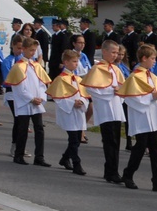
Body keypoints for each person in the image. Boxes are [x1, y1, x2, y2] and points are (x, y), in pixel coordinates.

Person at [117, 44, 157, 191]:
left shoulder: (152, 76)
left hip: (153, 116)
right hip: (142, 117)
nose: (155, 61)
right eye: (153, 58)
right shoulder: (135, 77)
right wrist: (150, 96)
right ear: (144, 58)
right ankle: (128, 174)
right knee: (140, 147)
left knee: (156, 148)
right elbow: (132, 98)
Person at [81, 39, 126, 183]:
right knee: (109, 141)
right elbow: (92, 89)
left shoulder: (116, 69)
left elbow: (122, 87)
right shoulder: (97, 69)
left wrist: (119, 93)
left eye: (117, 53)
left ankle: (112, 170)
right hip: (105, 109)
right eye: (113, 52)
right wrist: (111, 92)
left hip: (116, 108)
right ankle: (111, 171)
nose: (115, 55)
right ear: (104, 52)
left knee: (116, 141)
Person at [4, 37, 52, 166]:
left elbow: (42, 84)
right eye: (31, 50)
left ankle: (39, 157)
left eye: (34, 50)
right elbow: (19, 87)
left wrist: (41, 97)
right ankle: (19, 155)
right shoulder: (18, 66)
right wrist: (31, 98)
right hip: (24, 102)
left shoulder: (36, 66)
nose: (33, 53)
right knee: (23, 128)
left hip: (37, 102)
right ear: (23, 49)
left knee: (39, 129)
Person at [48, 50, 89, 175]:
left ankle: (65, 158)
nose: (76, 64)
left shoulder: (77, 78)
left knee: (76, 138)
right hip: (68, 112)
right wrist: (72, 103)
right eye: (74, 61)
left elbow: (84, 94)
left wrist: (82, 101)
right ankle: (77, 163)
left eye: (77, 61)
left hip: (78, 112)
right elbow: (58, 97)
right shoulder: (60, 79)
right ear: (66, 62)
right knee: (74, 140)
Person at [2, 34, 28, 159]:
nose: (20, 51)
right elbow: (7, 80)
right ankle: (15, 146)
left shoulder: (25, 61)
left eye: (22, 48)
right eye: (18, 48)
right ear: (12, 46)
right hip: (12, 93)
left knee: (23, 121)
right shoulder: (8, 61)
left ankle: (21, 147)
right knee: (18, 119)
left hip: (24, 94)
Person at [116, 44, 133, 151]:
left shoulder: (124, 65)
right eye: (119, 54)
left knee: (128, 119)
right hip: (118, 95)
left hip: (126, 94)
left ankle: (129, 141)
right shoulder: (114, 66)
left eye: (122, 54)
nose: (120, 56)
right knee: (117, 119)